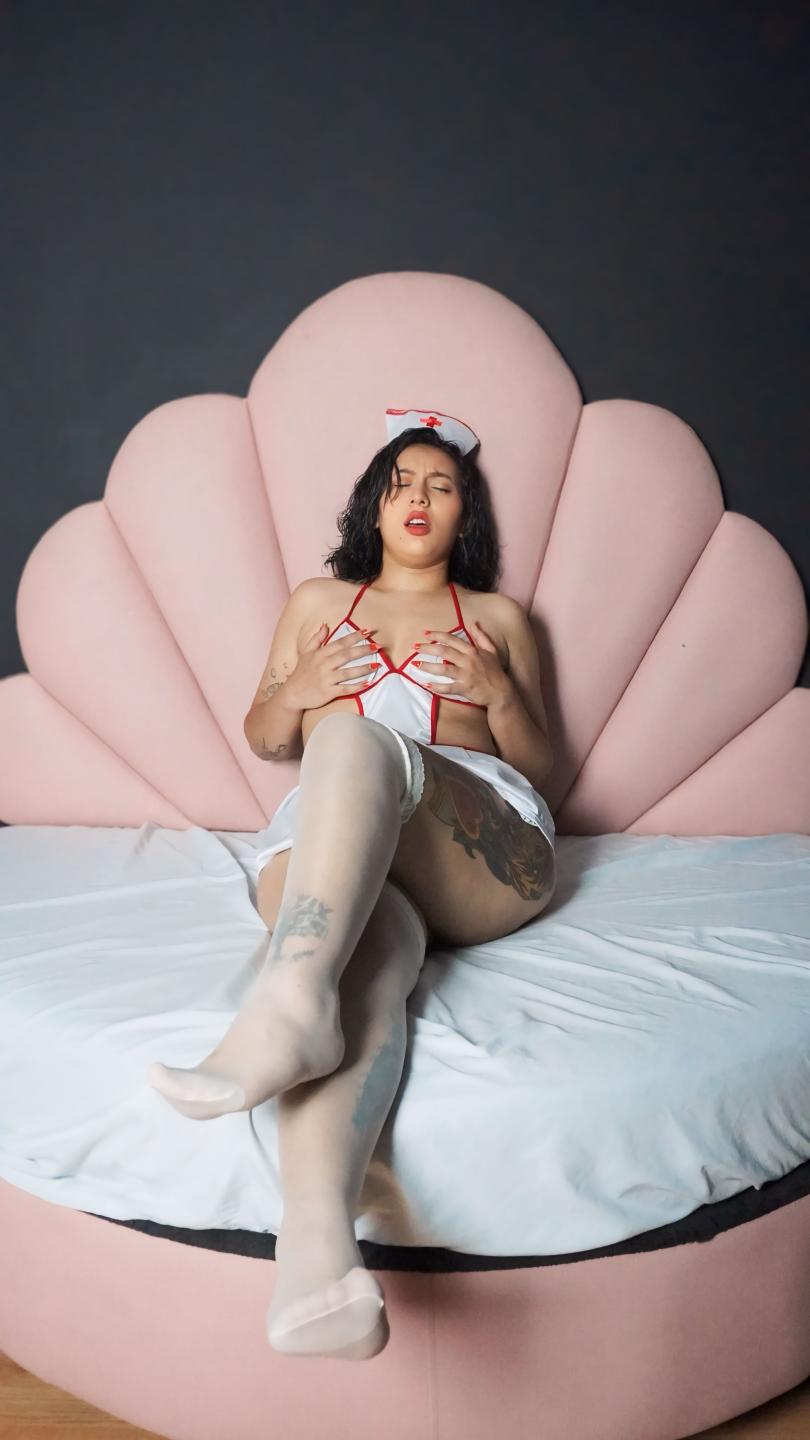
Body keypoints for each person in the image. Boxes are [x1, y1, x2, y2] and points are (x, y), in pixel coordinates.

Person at [149, 408, 557, 1359]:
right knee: (368, 966)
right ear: (374, 506)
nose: (418, 498)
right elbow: (266, 735)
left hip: (477, 852)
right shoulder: (316, 603)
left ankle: (288, 1002)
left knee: (353, 739)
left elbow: (546, 770)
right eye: (401, 483)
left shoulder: (498, 621)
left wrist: (498, 695)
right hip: (333, 853)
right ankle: (318, 1259)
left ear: (465, 516)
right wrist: (299, 688)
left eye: (441, 487)